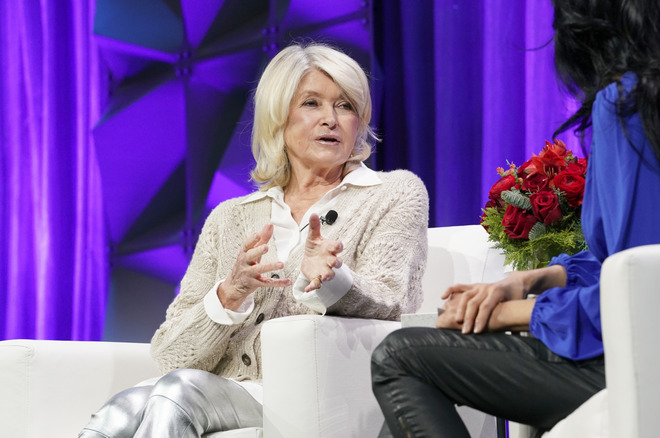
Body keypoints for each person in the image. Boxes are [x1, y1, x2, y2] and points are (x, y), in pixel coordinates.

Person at [370, 0, 660, 436]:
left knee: (398, 357)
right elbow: (636, 262)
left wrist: (504, 314)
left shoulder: (627, 104)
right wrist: (530, 280)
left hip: (638, 367)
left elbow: (634, 294)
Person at [79, 43, 429, 437]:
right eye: (311, 103)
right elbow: (171, 354)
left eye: (345, 106)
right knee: (120, 412)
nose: (330, 119)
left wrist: (333, 280)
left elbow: (394, 301)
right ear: (279, 116)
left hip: (312, 391)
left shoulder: (393, 193)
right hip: (220, 388)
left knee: (177, 393)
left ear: (360, 121)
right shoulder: (230, 217)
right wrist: (230, 294)